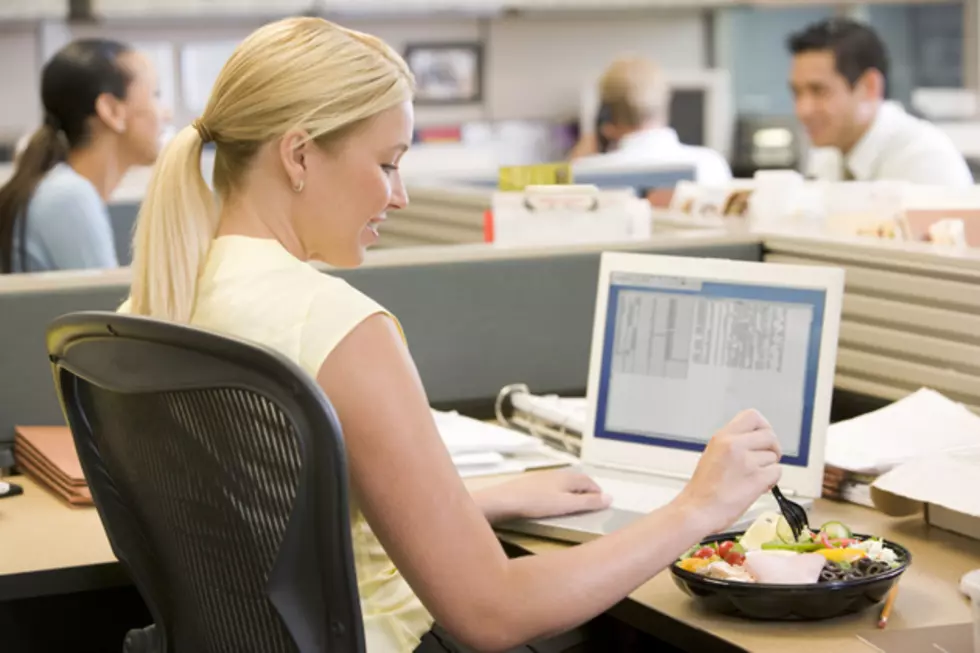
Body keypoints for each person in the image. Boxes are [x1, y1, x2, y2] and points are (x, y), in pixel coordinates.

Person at [124, 18, 781, 653]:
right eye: (387, 163)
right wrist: (698, 506)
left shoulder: (164, 297)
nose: (401, 195)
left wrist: (476, 501)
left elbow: (277, 509)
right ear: (298, 154)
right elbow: (492, 612)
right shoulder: (338, 326)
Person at [0, 38, 168, 274]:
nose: (166, 114)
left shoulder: (59, 189)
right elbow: (104, 310)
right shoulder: (69, 196)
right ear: (110, 110)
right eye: (156, 94)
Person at [788, 18, 972, 187]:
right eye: (796, 92)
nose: (803, 110)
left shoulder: (925, 162)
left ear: (869, 86)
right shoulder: (825, 156)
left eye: (819, 91)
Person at [569, 57, 732, 186]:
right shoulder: (710, 164)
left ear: (607, 117)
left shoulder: (586, 173)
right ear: (665, 104)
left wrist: (576, 162)